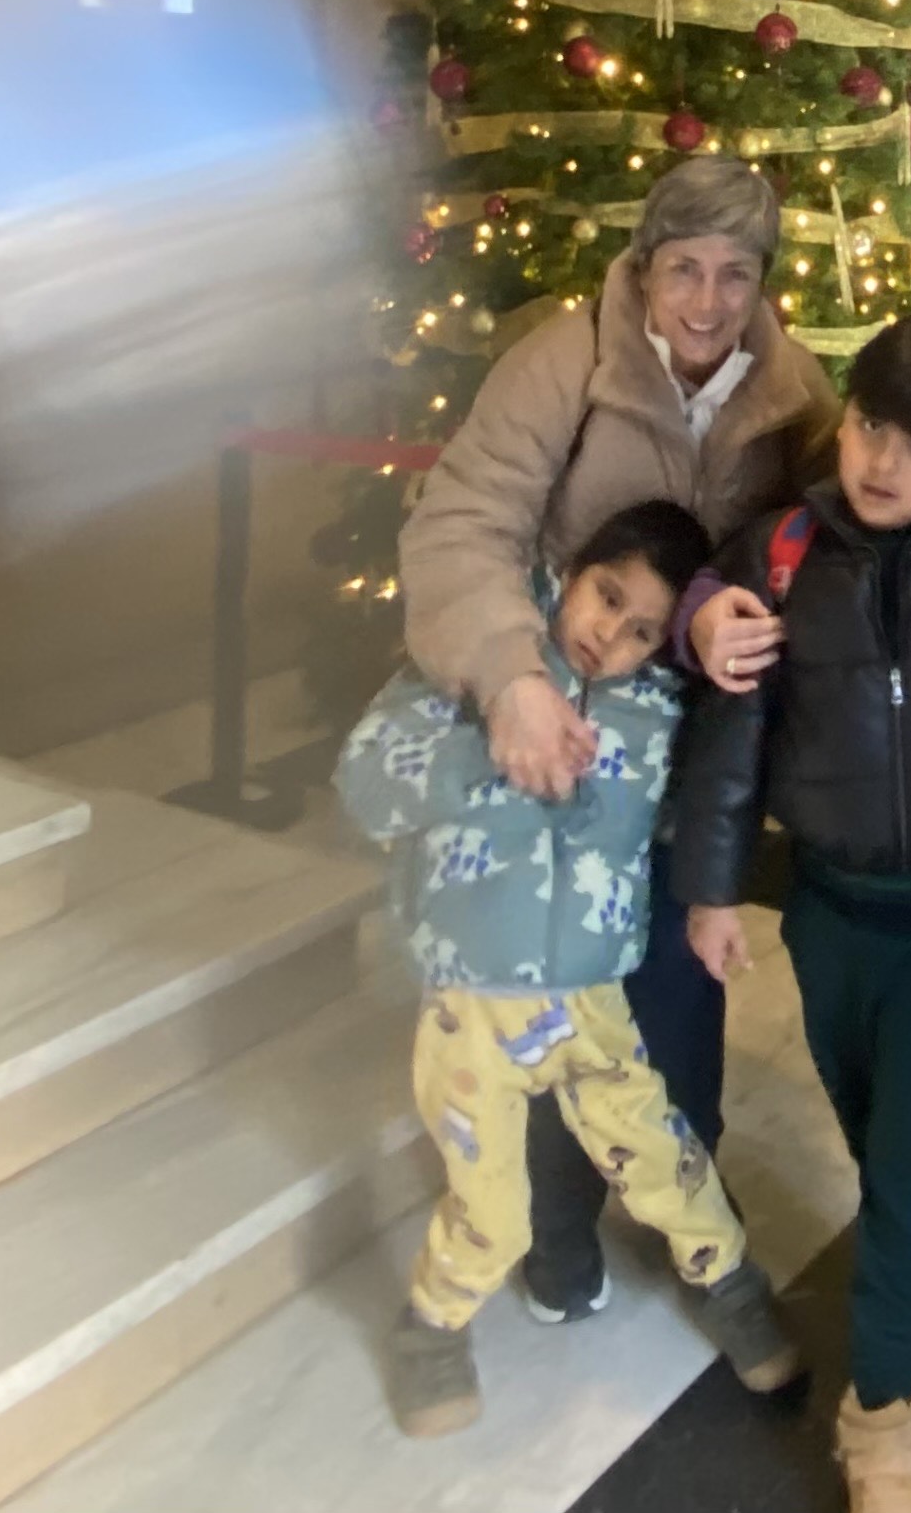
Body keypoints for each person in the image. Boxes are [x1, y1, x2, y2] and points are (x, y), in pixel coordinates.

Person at [397, 153, 834, 1320]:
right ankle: (554, 1217)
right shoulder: (564, 364)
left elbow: (839, 522)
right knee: (550, 971)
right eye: (682, 269)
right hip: (563, 710)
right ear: (643, 269)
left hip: (688, 738)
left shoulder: (792, 387)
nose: (705, 301)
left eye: (734, 275)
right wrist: (510, 679)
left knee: (676, 990)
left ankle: (687, 1205)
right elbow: (465, 522)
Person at [672, 317, 911, 1513]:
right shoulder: (780, 552)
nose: (888, 460)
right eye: (875, 427)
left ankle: (882, 1413)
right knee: (869, 1128)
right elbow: (733, 737)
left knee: (904, 1159)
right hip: (833, 915)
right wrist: (708, 885)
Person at [336, 502, 806, 1437]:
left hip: (592, 999)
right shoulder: (478, 673)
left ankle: (733, 1285)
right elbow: (365, 783)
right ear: (572, 572)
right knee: (493, 1209)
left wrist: (717, 898)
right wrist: (496, 746)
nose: (611, 637)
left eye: (642, 629)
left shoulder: (657, 710)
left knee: (667, 1156)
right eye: (605, 596)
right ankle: (432, 1326)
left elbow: (694, 815)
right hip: (473, 1010)